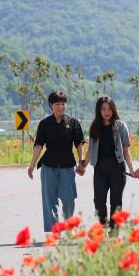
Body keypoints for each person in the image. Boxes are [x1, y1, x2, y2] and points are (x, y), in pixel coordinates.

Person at [28, 91, 85, 232]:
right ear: (51, 105)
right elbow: (38, 145)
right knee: (50, 200)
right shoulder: (44, 124)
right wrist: (32, 164)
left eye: (63, 104)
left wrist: (81, 161)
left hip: (67, 164)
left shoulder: (73, 123)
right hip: (49, 165)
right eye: (57, 104)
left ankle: (68, 226)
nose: (60, 107)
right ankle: (54, 230)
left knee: (68, 198)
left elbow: (79, 144)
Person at [81, 96, 136, 228]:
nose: (107, 112)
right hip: (100, 169)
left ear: (114, 109)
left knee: (116, 202)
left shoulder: (121, 126)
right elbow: (90, 150)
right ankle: (103, 224)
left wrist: (132, 170)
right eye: (103, 109)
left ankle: (113, 229)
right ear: (98, 111)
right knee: (99, 201)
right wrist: (82, 166)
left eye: (109, 109)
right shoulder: (95, 126)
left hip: (118, 169)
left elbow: (126, 150)